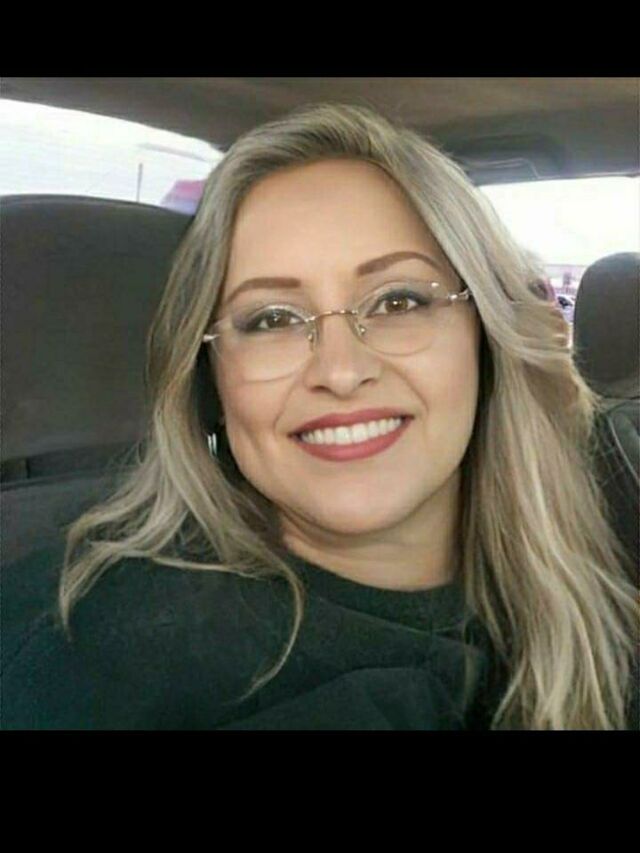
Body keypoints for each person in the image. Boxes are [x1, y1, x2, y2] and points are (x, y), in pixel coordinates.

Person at [2, 103, 637, 730]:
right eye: (271, 319)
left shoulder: (601, 578)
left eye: (398, 301)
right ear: (209, 383)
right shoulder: (93, 658)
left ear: (487, 340)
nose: (340, 370)